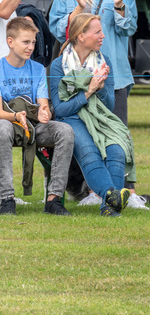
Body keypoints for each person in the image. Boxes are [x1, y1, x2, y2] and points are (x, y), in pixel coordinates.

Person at [48, 13, 134, 217]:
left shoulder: (105, 62)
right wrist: (89, 91)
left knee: (116, 149)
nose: (103, 36)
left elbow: (110, 105)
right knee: (88, 151)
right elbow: (60, 109)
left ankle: (108, 206)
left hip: (99, 119)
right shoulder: (59, 66)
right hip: (72, 118)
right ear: (81, 36)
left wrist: (102, 88)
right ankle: (112, 197)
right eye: (97, 32)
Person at [49, 0, 138, 128]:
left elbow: (128, 29)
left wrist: (119, 6)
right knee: (78, 138)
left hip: (112, 77)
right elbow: (58, 29)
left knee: (116, 136)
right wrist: (78, 9)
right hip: (74, 78)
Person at [0, 17, 74, 216]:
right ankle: (6, 199)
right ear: (10, 42)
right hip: (8, 124)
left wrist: (44, 112)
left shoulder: (38, 69)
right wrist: (15, 116)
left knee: (64, 131)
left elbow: (43, 104)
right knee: (1, 128)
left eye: (33, 42)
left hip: (32, 127)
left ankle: (53, 199)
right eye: (26, 42)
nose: (31, 47)